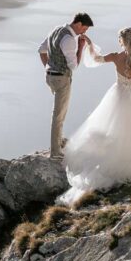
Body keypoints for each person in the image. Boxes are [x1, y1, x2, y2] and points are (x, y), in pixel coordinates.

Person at [58, 27, 131, 205]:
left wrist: (89, 45)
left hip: (119, 96)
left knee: (115, 128)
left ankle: (113, 160)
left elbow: (95, 59)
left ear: (121, 41)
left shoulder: (117, 57)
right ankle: (130, 157)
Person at [38, 12, 94, 159]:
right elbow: (73, 66)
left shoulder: (56, 30)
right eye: (84, 29)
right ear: (78, 24)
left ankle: (59, 140)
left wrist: (48, 67)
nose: (84, 32)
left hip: (50, 77)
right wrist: (80, 47)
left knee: (59, 112)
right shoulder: (70, 40)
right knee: (58, 116)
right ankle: (55, 152)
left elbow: (41, 50)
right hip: (62, 79)